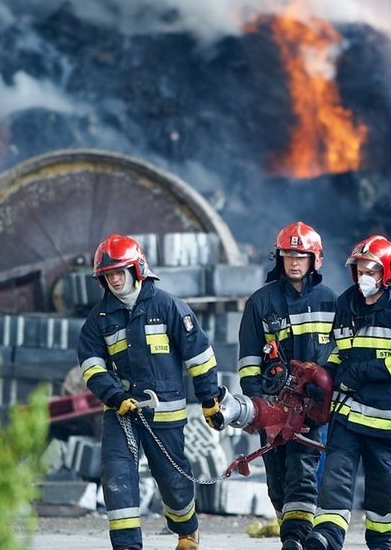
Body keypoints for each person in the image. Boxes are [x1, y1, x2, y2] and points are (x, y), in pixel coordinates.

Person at [77, 233, 224, 550]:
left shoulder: (168, 307)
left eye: (120, 272)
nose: (115, 280)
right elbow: (91, 368)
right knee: (117, 476)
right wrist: (115, 396)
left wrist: (210, 400)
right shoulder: (98, 320)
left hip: (165, 414)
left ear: (137, 269)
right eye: (108, 275)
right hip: (121, 412)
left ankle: (187, 530)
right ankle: (128, 544)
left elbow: (199, 358)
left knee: (173, 483)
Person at [305, 235, 391, 550]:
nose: (363, 277)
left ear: (387, 272)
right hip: (346, 410)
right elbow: (336, 351)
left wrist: (360, 373)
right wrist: (323, 378)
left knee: (382, 485)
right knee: (336, 475)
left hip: (383, 415)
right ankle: (327, 538)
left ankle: (381, 542)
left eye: (370, 270)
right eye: (359, 270)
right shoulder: (345, 305)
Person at [237, 222, 338, 550]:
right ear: (278, 259)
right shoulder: (260, 302)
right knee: (277, 478)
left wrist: (325, 390)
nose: (294, 262)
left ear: (315, 260)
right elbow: (249, 361)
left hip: (310, 407)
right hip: (273, 406)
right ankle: (293, 530)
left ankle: (294, 539)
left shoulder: (330, 302)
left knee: (303, 470)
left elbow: (339, 355)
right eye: (288, 256)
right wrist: (256, 406)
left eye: (301, 256)